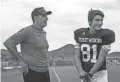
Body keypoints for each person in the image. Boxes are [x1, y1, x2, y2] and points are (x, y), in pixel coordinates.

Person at [4, 7, 52, 82]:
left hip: (45, 71)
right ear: (35, 18)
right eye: (44, 16)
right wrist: (21, 61)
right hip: (33, 73)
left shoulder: (43, 33)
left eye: (46, 16)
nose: (47, 18)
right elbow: (8, 43)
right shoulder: (27, 31)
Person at [73, 9, 115, 82]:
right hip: (85, 74)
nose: (100, 23)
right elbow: (76, 55)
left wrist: (90, 75)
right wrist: (80, 71)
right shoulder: (80, 33)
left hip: (100, 75)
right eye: (97, 20)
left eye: (101, 20)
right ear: (90, 21)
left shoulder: (106, 35)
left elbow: (101, 59)